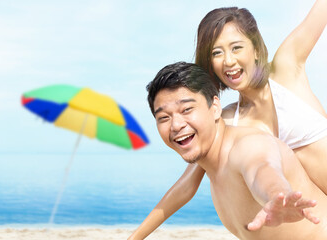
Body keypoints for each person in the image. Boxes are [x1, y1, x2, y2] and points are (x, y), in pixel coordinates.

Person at [129, 1, 327, 238]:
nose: (229, 61)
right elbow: (186, 186)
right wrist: (136, 236)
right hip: (307, 207)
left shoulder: (286, 68)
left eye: (236, 48)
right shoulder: (226, 121)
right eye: (216, 52)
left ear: (255, 48)